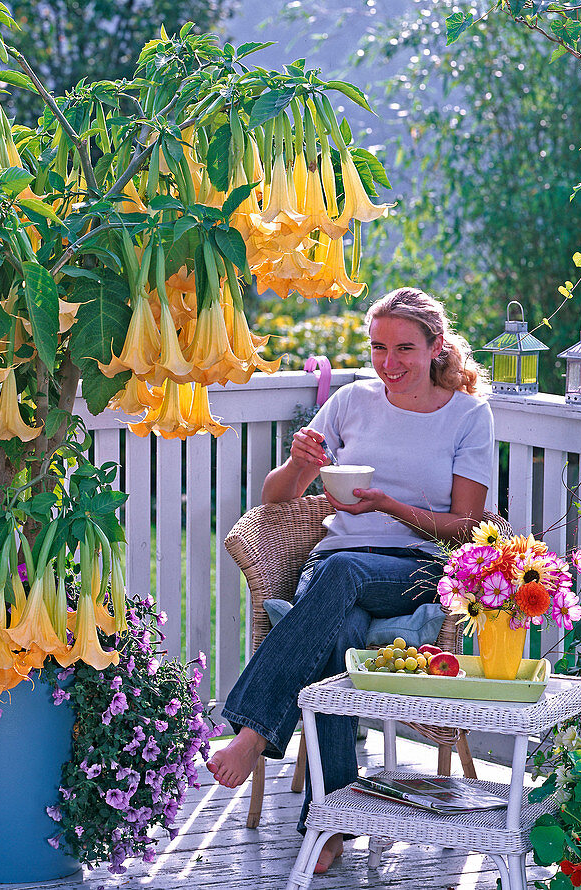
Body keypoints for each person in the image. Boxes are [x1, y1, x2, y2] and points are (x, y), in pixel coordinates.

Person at [206, 287, 494, 873]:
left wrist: (389, 506)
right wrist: (301, 465)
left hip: (418, 570)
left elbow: (469, 528)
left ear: (436, 347)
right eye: (379, 348)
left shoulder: (468, 415)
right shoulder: (351, 401)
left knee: (342, 570)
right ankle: (330, 820)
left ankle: (255, 729)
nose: (389, 363)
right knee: (338, 633)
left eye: (405, 348)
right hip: (337, 567)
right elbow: (274, 503)